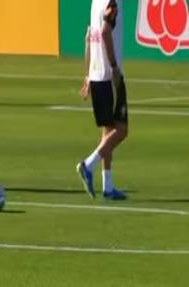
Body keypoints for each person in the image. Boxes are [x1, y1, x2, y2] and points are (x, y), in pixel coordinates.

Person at [77, 0, 128, 200]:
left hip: (96, 75)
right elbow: (105, 32)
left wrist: (87, 75)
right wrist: (114, 67)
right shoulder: (112, 3)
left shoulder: (96, 3)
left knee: (107, 132)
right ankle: (88, 165)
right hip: (109, 76)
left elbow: (88, 38)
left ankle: (108, 186)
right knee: (121, 131)